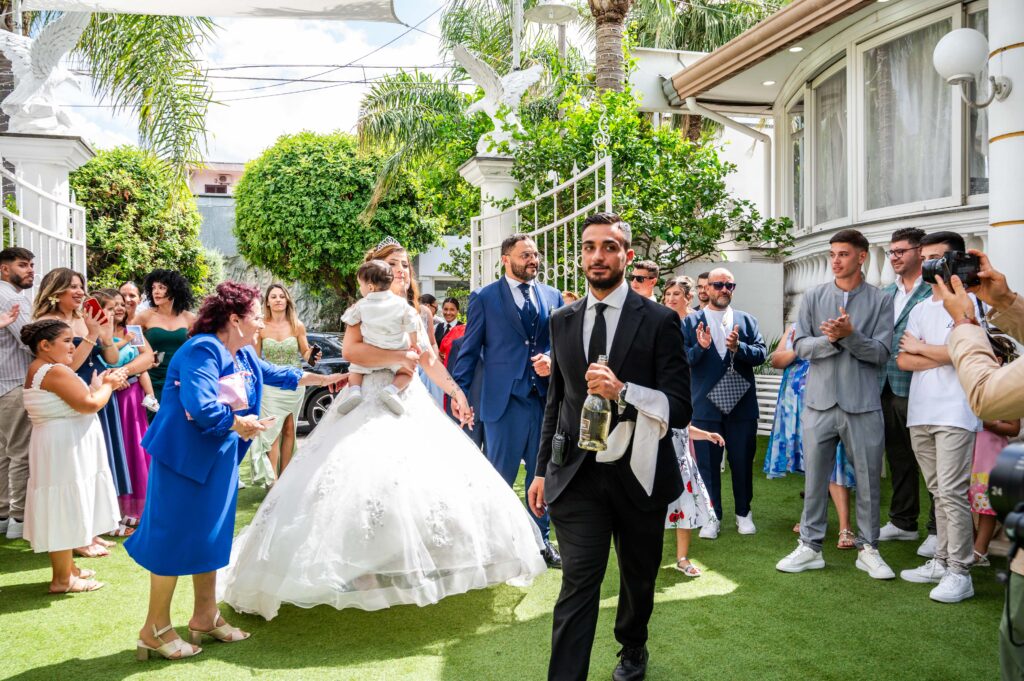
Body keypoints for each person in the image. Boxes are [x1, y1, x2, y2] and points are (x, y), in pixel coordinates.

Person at [218, 239, 547, 621]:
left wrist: (456, 392)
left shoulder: (413, 314)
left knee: (416, 486)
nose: (404, 270)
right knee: (359, 481)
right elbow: (354, 352)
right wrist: (398, 358)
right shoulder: (362, 311)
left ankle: (410, 565)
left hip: (408, 403)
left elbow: (429, 362)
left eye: (406, 264)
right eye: (395, 264)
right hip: (367, 398)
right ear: (379, 272)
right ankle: (358, 568)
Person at [124, 281, 346, 661]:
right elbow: (201, 404)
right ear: (234, 319)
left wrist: (326, 378)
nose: (261, 324)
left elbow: (278, 373)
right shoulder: (203, 348)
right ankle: (154, 629)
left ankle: (205, 616)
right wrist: (239, 423)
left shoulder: (241, 353)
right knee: (173, 539)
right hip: (184, 460)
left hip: (218, 458)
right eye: (256, 316)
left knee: (210, 537)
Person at [528, 212, 692, 681]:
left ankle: (632, 647)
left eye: (609, 247)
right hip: (576, 476)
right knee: (579, 581)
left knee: (638, 578)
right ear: (581, 254)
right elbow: (556, 402)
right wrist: (542, 470)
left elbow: (680, 408)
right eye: (589, 247)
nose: (597, 256)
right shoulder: (561, 320)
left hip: (638, 474)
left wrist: (623, 391)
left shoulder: (660, 321)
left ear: (627, 255)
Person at [776, 229, 896, 580]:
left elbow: (881, 353)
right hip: (819, 403)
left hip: (863, 404)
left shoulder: (881, 300)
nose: (835, 260)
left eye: (843, 254)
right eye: (832, 254)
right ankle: (810, 547)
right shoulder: (813, 296)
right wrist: (832, 340)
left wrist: (851, 337)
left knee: (868, 480)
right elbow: (799, 348)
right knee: (814, 478)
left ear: (861, 257)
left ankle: (868, 548)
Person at [452, 234, 564, 567]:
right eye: (525, 254)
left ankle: (541, 542)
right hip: (502, 403)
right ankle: (494, 544)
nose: (533, 260)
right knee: (500, 477)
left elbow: (563, 344)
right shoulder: (484, 298)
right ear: (506, 259)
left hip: (543, 401)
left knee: (542, 476)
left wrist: (551, 360)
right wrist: (460, 393)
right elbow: (469, 351)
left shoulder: (552, 295)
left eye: (536, 254)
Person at [895, 232, 983, 603]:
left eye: (937, 258)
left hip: (955, 411)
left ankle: (960, 572)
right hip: (921, 411)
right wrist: (941, 351)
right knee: (937, 491)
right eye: (927, 258)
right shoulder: (919, 309)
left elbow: (966, 350)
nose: (930, 265)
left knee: (951, 492)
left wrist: (924, 349)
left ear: (955, 262)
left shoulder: (971, 303)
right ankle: (942, 559)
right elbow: (903, 359)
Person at [20, 319, 127, 593]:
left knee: (64, 505)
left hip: (60, 443)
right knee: (63, 507)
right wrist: (110, 385)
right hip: (63, 447)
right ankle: (62, 580)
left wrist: (99, 385)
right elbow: (89, 404)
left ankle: (69, 570)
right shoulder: (54, 370)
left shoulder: (44, 368)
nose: (73, 346)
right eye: (67, 341)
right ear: (45, 345)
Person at [33, 268, 124, 558]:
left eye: (81, 286)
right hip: (68, 395)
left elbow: (111, 357)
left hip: (96, 390)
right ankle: (76, 537)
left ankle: (89, 531)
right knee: (72, 468)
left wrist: (106, 337)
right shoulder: (47, 325)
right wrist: (90, 336)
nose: (79, 291)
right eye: (71, 286)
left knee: (90, 465)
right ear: (55, 291)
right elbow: (66, 369)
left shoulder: (86, 321)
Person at [681, 267, 767, 539]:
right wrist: (701, 347)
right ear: (706, 288)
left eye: (729, 285)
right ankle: (711, 515)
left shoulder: (747, 321)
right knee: (706, 465)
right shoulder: (689, 322)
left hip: (741, 406)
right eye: (718, 285)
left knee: (742, 461)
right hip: (704, 407)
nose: (723, 290)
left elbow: (762, 354)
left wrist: (737, 348)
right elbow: (681, 360)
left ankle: (744, 513)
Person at [764, 324, 857, 550]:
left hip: (827, 400)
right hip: (794, 403)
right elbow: (776, 361)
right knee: (810, 460)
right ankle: (811, 518)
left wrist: (809, 347)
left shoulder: (835, 326)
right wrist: (800, 348)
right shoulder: (795, 328)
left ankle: (845, 527)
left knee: (834, 461)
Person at [878, 227, 937, 557]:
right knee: (898, 455)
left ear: (919, 251)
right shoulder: (886, 292)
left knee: (929, 459)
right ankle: (903, 522)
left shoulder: (935, 290)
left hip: (922, 385)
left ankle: (938, 529)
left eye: (901, 251)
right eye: (891, 252)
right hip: (885, 385)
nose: (895, 257)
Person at [93, 289, 158, 530]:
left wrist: (124, 372)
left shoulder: (133, 331)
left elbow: (148, 358)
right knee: (113, 447)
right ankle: (115, 509)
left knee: (136, 445)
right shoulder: (96, 333)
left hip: (131, 396)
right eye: (112, 306)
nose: (119, 308)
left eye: (121, 304)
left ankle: (138, 507)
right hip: (108, 397)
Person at [249, 284, 317, 487]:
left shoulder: (297, 325)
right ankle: (272, 480)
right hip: (270, 385)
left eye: (281, 296)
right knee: (272, 431)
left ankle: (285, 479)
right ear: (267, 302)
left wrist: (312, 355)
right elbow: (255, 359)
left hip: (294, 384)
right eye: (273, 296)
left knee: (289, 429)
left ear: (287, 300)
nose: (278, 299)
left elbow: (306, 354)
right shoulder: (260, 326)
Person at [335, 260, 422, 417]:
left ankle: (355, 391)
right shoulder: (402, 305)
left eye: (360, 285)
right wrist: (414, 344)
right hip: (398, 353)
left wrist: (350, 312)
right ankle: (392, 390)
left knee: (355, 370)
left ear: (370, 287)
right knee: (407, 374)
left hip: (370, 356)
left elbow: (349, 318)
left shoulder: (361, 305)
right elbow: (412, 324)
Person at [0, 247, 34, 541]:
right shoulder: (10, 297)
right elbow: (30, 339)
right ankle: (19, 518)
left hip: (4, 385)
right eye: (23, 265)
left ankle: (3, 513)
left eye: (31, 265)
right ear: (4, 269)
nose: (30, 270)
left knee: (5, 452)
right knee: (20, 453)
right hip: (14, 383)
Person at [135, 269, 196, 410]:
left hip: (182, 379)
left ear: (175, 290)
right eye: (153, 288)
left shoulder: (190, 318)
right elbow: (132, 341)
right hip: (152, 380)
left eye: (161, 288)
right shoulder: (144, 317)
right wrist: (145, 356)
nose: (156, 292)